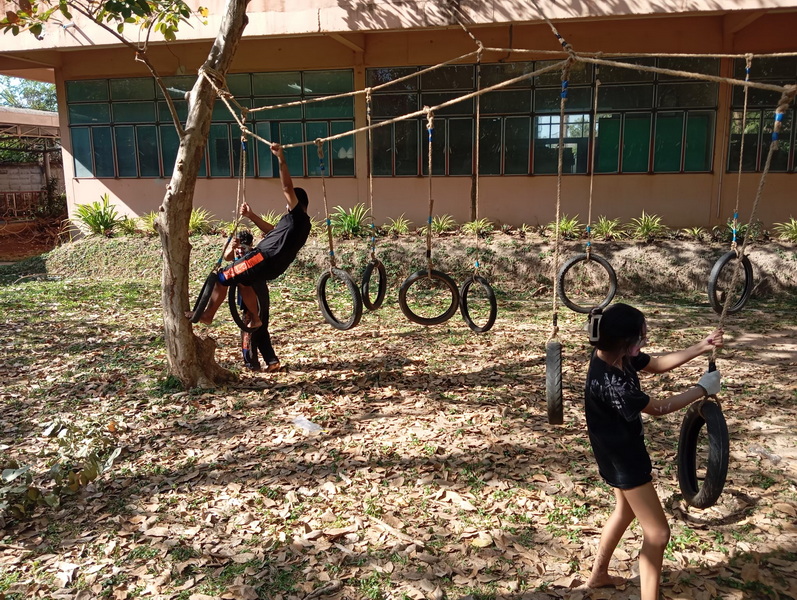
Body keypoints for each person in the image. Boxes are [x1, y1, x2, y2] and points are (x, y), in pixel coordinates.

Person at [583, 302, 723, 600]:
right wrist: (702, 389)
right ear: (628, 342)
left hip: (612, 451)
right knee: (658, 534)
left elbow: (657, 364)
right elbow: (658, 408)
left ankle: (599, 575)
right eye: (642, 338)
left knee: (624, 511)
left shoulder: (615, 354)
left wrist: (702, 346)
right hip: (624, 460)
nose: (645, 342)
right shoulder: (613, 382)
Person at [187, 143, 311, 371]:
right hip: (272, 266)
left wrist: (281, 158)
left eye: (289, 202)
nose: (286, 204)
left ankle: (208, 314)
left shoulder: (297, 216)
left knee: (223, 277)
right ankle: (254, 318)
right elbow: (272, 231)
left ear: (295, 203)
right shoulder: (298, 226)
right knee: (243, 281)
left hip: (263, 258)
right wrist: (252, 216)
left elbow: (286, 186)